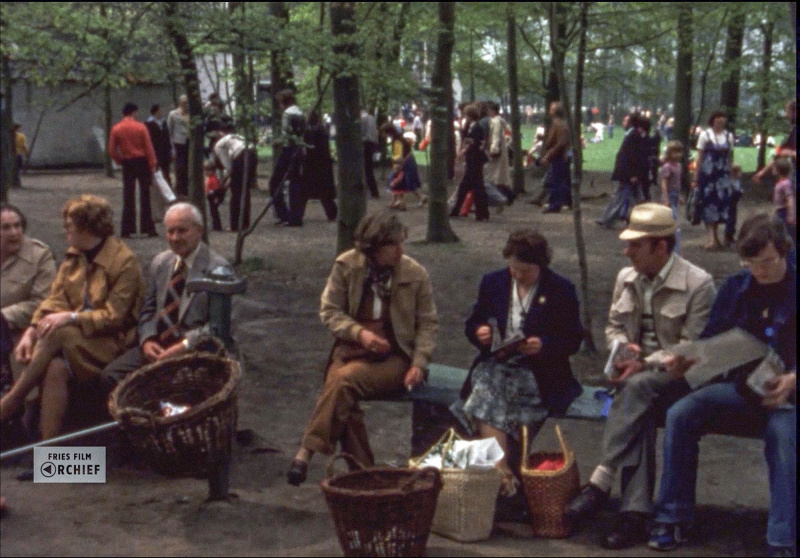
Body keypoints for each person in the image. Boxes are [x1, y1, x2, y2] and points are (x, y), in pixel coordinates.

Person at [566, 203, 716, 550]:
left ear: (661, 247)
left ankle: (601, 480)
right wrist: (621, 351)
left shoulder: (698, 284)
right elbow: (614, 325)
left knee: (638, 387)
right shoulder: (626, 278)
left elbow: (690, 348)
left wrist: (645, 362)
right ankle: (634, 516)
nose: (626, 251)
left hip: (680, 378)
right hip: (638, 385)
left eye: (635, 245)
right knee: (639, 410)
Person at [649, 215, 796, 557]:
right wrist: (687, 359)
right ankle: (672, 517)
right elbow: (711, 341)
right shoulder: (736, 287)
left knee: (784, 437)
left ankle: (782, 538)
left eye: (768, 262)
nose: (759, 271)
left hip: (786, 397)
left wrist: (792, 379)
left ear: (786, 252)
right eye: (751, 263)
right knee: (681, 413)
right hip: (740, 389)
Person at [287, 211, 438, 485]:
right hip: (353, 349)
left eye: (401, 242)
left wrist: (419, 362)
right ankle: (366, 476)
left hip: (395, 356)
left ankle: (305, 452)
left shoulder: (414, 274)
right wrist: (359, 334)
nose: (400, 251)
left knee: (343, 381)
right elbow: (330, 310)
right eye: (392, 245)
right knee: (344, 396)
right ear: (373, 247)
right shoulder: (347, 266)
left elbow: (428, 323)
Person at [0, 195, 145, 440]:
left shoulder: (123, 262)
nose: (65, 231)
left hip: (113, 342)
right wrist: (32, 330)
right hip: (79, 343)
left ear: (87, 228)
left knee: (59, 331)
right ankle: (49, 455)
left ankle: (11, 401)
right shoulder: (75, 256)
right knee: (56, 367)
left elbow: (115, 317)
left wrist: (73, 316)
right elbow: (54, 300)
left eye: (70, 226)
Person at [455, 229, 583, 495]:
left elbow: (573, 339)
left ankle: (501, 474)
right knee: (489, 384)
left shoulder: (560, 289)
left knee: (496, 397)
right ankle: (503, 470)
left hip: (540, 372)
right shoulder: (494, 282)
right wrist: (480, 333)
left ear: (540, 266)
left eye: (525, 271)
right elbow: (473, 322)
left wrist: (544, 346)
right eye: (514, 269)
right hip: (497, 363)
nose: (518, 275)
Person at [102, 203, 230, 387]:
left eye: (181, 231)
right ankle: (143, 414)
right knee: (111, 375)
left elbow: (220, 325)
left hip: (193, 350)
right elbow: (148, 308)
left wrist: (184, 346)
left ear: (199, 231)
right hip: (158, 345)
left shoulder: (217, 269)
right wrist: (147, 339)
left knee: (176, 386)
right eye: (170, 232)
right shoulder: (161, 263)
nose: (175, 238)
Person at [1, 204, 58, 423]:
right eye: (5, 228)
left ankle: (22, 419)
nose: (14, 232)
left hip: (24, 331)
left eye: (17, 226)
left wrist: (4, 316)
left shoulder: (39, 255)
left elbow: (44, 302)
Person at [108, 102, 158, 238]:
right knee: (145, 195)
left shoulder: (116, 128)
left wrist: (119, 160)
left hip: (128, 162)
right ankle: (147, 227)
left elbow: (111, 149)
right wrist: (152, 164)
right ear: (134, 112)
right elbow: (148, 147)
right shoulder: (141, 127)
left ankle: (127, 229)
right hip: (142, 161)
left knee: (128, 195)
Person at [596, 113, 650, 228]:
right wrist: (633, 174)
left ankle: (611, 218)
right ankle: (609, 219)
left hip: (629, 174)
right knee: (624, 197)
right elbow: (631, 158)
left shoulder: (634, 137)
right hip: (629, 174)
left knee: (629, 197)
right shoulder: (635, 138)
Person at [693, 110, 734, 250]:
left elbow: (730, 157)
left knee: (720, 206)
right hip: (708, 176)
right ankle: (710, 238)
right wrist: (695, 177)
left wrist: (731, 176)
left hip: (722, 177)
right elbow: (699, 158)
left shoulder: (729, 136)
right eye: (718, 117)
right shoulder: (705, 135)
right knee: (708, 205)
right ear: (713, 120)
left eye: (723, 117)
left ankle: (716, 236)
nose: (721, 120)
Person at [268, 89, 306, 227]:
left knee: (275, 183)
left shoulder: (287, 114)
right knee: (295, 184)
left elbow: (286, 136)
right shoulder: (301, 113)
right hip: (299, 150)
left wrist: (276, 142)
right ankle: (295, 216)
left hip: (289, 150)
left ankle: (283, 214)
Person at [213, 123, 257, 232]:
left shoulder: (218, 145)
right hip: (253, 154)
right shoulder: (237, 137)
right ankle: (245, 223)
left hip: (242, 156)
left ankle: (235, 225)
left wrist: (228, 177)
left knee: (236, 193)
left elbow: (227, 164)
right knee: (245, 191)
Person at [449, 103, 489, 221]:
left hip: (475, 160)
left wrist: (465, 148)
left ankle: (461, 210)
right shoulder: (471, 126)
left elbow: (475, 142)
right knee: (476, 187)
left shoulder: (477, 127)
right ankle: (481, 212)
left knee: (469, 186)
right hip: (473, 159)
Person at [303, 111, 338, 222]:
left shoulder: (311, 131)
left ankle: (297, 214)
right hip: (324, 163)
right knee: (325, 192)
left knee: (305, 190)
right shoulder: (322, 130)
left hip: (313, 164)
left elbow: (310, 148)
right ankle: (332, 213)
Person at [540, 101, 571, 214]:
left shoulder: (559, 124)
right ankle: (560, 202)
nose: (549, 111)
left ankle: (555, 204)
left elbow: (560, 143)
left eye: (551, 109)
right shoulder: (558, 124)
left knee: (556, 180)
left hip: (558, 156)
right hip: (558, 155)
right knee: (557, 180)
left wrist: (548, 155)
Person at [484, 101, 513, 206]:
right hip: (502, 150)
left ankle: (503, 198)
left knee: (492, 176)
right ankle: (508, 196)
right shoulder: (501, 120)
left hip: (497, 152)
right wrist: (507, 140)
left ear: (493, 110)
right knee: (500, 176)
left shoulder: (495, 122)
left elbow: (495, 136)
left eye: (489, 110)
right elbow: (509, 131)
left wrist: (493, 149)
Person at [387, 131, 426, 210]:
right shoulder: (401, 140)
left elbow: (400, 155)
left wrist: (399, 163)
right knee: (405, 181)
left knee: (402, 182)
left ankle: (400, 202)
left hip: (404, 163)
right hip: (406, 161)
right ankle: (419, 198)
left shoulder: (398, 142)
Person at [660, 141, 684, 253]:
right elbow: (664, 183)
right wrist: (666, 199)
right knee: (673, 223)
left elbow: (678, 184)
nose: (678, 155)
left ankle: (674, 249)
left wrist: (679, 196)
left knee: (673, 222)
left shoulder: (679, 166)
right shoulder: (667, 167)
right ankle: (675, 251)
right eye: (675, 152)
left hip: (675, 195)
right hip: (668, 196)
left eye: (679, 152)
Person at [167, 95, 190, 197]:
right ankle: (179, 189)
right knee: (180, 167)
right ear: (180, 103)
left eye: (187, 102)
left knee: (188, 166)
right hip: (178, 143)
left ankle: (187, 188)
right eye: (184, 102)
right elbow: (169, 131)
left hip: (188, 142)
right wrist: (171, 148)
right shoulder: (173, 114)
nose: (186, 104)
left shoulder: (191, 115)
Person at [772, 157, 796, 246]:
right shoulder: (781, 182)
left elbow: (790, 199)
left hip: (784, 212)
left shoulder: (785, 183)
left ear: (779, 170)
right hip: (779, 210)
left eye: (774, 168)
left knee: (787, 236)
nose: (772, 169)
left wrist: (790, 214)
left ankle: (791, 256)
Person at [360, 108, 380, 199]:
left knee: (366, 169)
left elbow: (361, 132)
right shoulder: (371, 117)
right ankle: (372, 190)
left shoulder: (361, 118)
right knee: (368, 169)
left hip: (365, 144)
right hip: (371, 144)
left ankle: (373, 192)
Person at [204, 159, 226, 232]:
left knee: (214, 212)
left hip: (213, 197)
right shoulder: (209, 178)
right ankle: (215, 225)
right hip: (210, 197)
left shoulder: (214, 179)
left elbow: (217, 190)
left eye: (208, 171)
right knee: (212, 212)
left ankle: (217, 226)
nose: (206, 173)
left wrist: (216, 197)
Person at [725, 163, 744, 246]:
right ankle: (728, 237)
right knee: (730, 220)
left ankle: (731, 236)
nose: (741, 174)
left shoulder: (737, 181)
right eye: (739, 172)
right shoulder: (731, 182)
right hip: (731, 203)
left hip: (734, 203)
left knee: (733, 219)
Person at [13, 124, 29, 188]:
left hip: (11, 155)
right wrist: (26, 153)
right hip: (18, 154)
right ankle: (17, 181)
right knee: (18, 168)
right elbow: (24, 146)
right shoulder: (21, 136)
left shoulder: (8, 136)